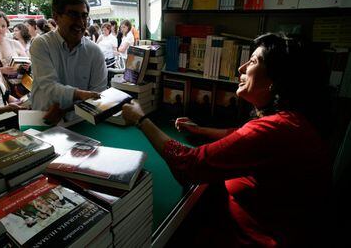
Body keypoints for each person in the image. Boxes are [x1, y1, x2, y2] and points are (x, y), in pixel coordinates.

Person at [122, 33, 331, 247]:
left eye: (253, 61)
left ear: (276, 80)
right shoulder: (292, 122)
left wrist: (141, 119)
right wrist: (200, 130)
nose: (241, 68)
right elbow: (238, 136)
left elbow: (188, 166)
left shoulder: (273, 129)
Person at [30, 0, 107, 124]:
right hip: (45, 121)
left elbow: (97, 94)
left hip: (81, 122)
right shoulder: (41, 45)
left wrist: (65, 109)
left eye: (84, 16)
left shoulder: (95, 52)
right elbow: (49, 86)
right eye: (73, 15)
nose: (81, 22)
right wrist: (79, 95)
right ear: (56, 17)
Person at [0, 10, 27, 75]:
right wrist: (0, 70)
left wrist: (27, 66)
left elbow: (27, 63)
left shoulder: (15, 44)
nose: (0, 28)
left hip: (16, 84)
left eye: (3, 26)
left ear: (7, 28)